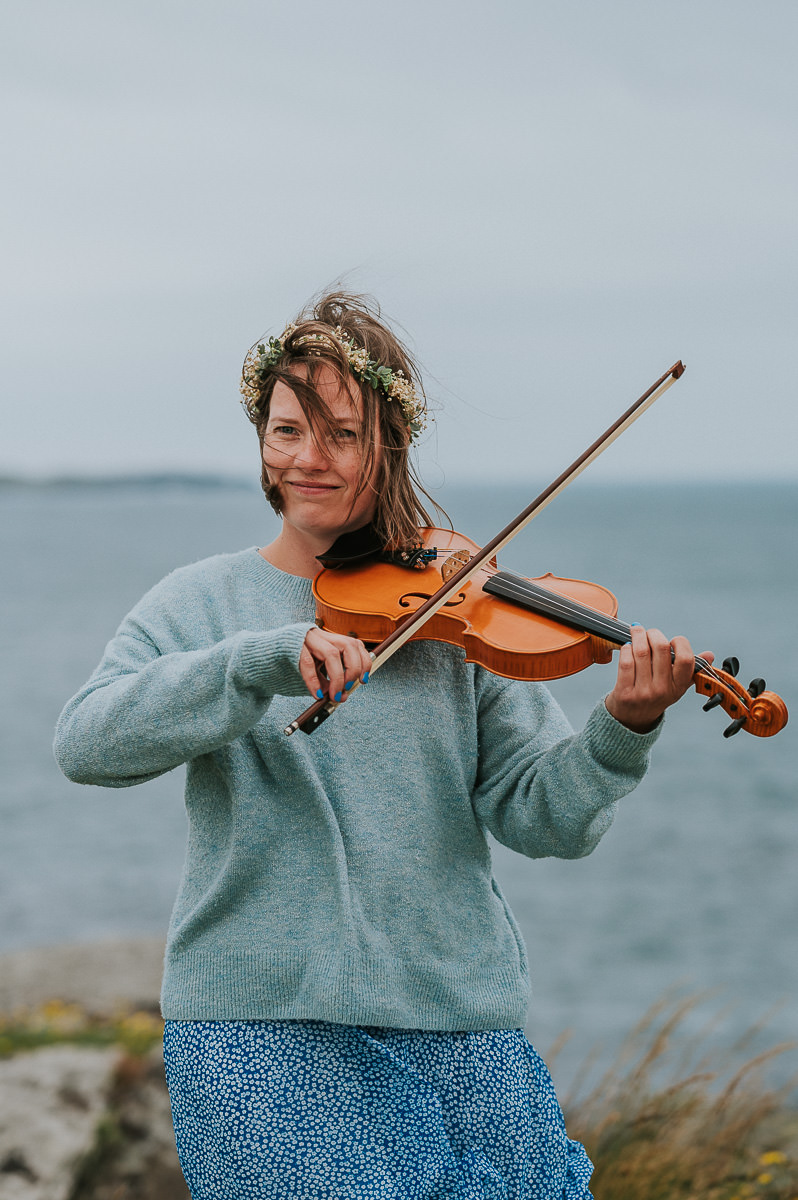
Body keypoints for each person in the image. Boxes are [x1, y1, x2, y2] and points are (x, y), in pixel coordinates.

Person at [54, 291, 706, 1200]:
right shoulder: (197, 604)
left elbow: (548, 819)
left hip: (458, 1027)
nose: (308, 460)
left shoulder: (461, 605)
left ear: (388, 445)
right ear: (260, 437)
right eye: (286, 431)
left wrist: (621, 732)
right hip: (259, 1029)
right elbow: (87, 742)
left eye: (342, 435)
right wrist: (255, 664)